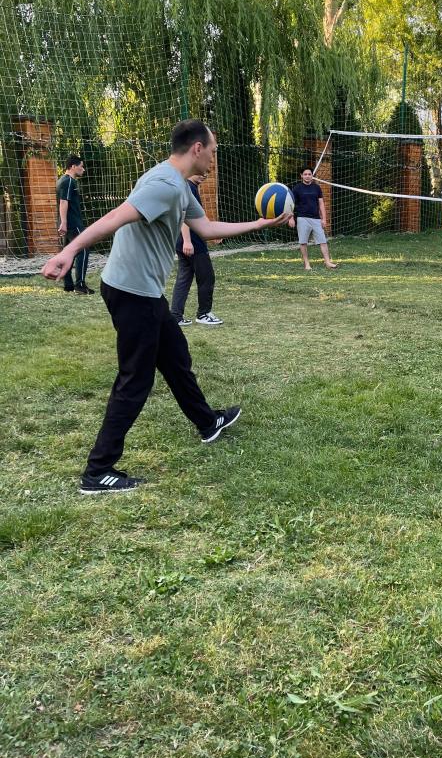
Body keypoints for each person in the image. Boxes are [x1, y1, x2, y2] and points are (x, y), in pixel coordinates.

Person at [41, 119, 290, 495]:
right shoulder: (164, 185)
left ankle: (208, 423)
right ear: (196, 148)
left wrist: (260, 223)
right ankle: (98, 471)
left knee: (175, 356)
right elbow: (114, 218)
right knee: (135, 379)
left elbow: (205, 229)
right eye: (213, 150)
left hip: (142, 292)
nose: (213, 157)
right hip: (131, 292)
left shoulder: (177, 184)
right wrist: (70, 250)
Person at [170, 172, 222, 326]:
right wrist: (187, 241)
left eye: (206, 172)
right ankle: (204, 314)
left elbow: (199, 219)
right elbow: (184, 216)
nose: (204, 175)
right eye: (200, 172)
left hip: (183, 242)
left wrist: (213, 233)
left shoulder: (190, 187)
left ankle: (175, 316)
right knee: (207, 277)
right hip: (191, 243)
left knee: (183, 280)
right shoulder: (189, 188)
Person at [56, 155, 93, 294]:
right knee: (83, 249)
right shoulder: (68, 182)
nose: (83, 169)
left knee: (68, 253)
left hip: (68, 222)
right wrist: (64, 222)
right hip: (72, 223)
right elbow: (63, 202)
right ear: (73, 166)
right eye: (81, 166)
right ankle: (80, 286)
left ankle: (68, 285)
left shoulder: (62, 180)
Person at [288, 166, 337, 271]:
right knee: (303, 242)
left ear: (312, 176)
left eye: (309, 174)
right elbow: (291, 204)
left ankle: (328, 262)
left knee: (323, 241)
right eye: (305, 174)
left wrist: (324, 219)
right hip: (302, 218)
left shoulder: (317, 188)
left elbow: (321, 204)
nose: (307, 176)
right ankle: (307, 264)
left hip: (316, 219)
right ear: (301, 176)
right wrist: (291, 218)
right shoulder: (297, 188)